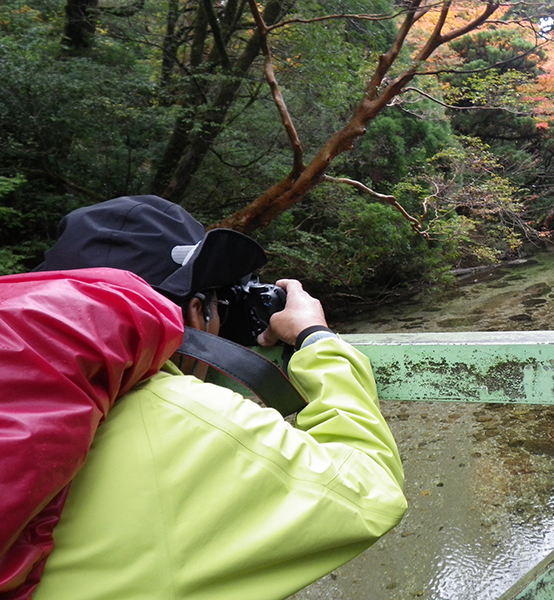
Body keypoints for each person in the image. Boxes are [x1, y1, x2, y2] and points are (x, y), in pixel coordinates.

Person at [28, 195, 407, 600]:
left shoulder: (21, 389)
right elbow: (370, 490)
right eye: (216, 305)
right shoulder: (189, 419)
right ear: (196, 313)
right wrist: (316, 339)